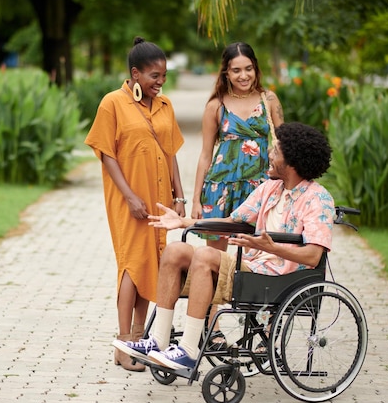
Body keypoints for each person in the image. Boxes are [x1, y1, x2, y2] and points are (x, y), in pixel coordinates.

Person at [113, 122, 334, 370]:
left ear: (292, 162)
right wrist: (185, 222)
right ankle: (158, 341)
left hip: (278, 277)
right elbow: (232, 222)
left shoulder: (318, 199)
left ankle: (188, 350)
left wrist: (271, 248)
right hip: (253, 267)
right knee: (176, 251)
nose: (269, 155)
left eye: (276, 152)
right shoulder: (270, 189)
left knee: (207, 256)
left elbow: (314, 256)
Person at [85, 37, 186, 372]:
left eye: (164, 76)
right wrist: (129, 195)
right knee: (131, 263)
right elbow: (105, 153)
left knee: (151, 266)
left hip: (159, 200)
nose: (160, 82)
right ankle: (123, 343)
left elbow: (170, 152)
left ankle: (139, 340)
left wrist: (180, 197)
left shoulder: (165, 106)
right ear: (135, 73)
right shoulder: (112, 103)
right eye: (154, 76)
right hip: (128, 198)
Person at [191, 42, 284, 347]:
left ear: (255, 68)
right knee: (215, 257)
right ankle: (211, 325)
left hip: (260, 189)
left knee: (267, 252)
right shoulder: (216, 106)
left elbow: (284, 147)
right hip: (220, 189)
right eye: (236, 70)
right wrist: (195, 200)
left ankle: (267, 328)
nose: (243, 75)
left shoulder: (268, 100)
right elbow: (206, 155)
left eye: (248, 68)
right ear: (226, 73)